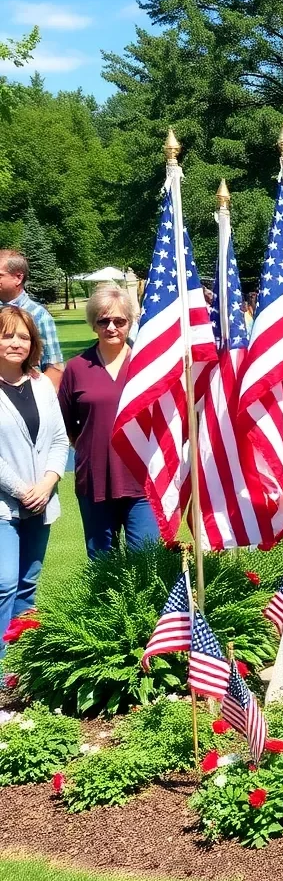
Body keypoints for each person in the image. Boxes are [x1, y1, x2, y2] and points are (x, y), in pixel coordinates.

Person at [57, 284, 160, 559]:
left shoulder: (148, 364)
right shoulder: (76, 368)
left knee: (148, 559)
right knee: (102, 564)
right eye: (103, 321)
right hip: (95, 480)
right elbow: (66, 425)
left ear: (130, 322)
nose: (111, 327)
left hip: (144, 480)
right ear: (94, 324)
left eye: (119, 321)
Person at [0, 307, 68, 656]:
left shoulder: (41, 384)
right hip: (4, 506)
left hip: (42, 500)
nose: (16, 343)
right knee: (4, 583)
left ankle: (21, 665)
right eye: (7, 335)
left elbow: (59, 439)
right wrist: (22, 489)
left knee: (27, 585)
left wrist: (48, 482)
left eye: (23, 336)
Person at [0, 249, 64, 390]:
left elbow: (55, 369)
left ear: (18, 278)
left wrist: (40, 403)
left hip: (24, 397)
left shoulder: (39, 316)